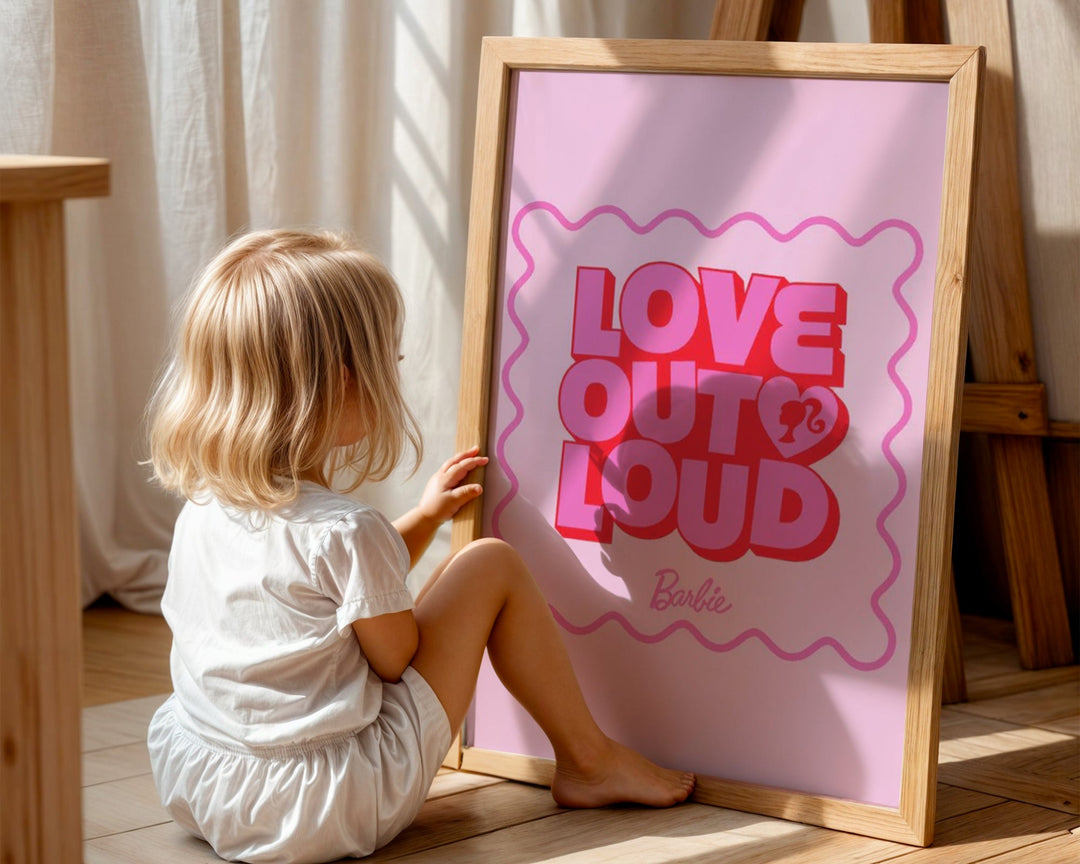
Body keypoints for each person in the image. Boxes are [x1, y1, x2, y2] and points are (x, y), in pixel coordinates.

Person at [145, 229, 695, 863]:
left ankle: (590, 759)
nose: (396, 376)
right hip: (325, 803)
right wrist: (439, 592)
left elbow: (324, 591)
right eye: (390, 364)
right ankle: (588, 760)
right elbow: (393, 655)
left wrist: (426, 520)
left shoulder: (204, 507)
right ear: (344, 384)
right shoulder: (347, 528)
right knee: (491, 564)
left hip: (205, 782)